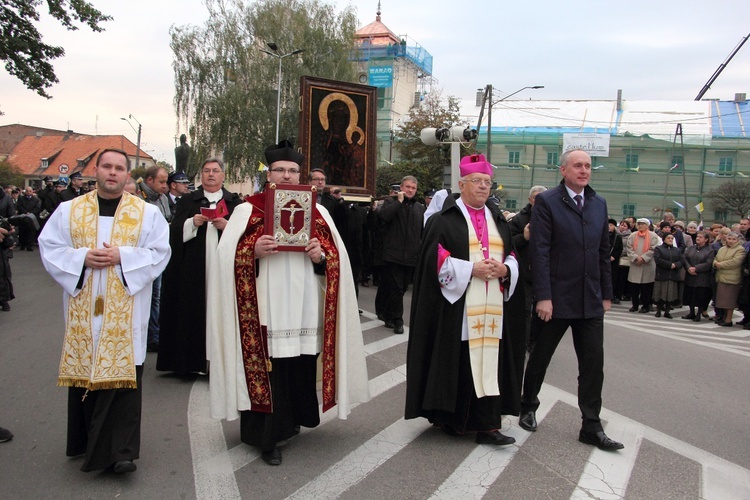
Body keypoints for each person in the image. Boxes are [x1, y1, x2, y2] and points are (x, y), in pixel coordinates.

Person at [207, 140, 370, 466]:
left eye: (292, 170)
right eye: (279, 170)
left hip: (305, 305)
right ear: (269, 174)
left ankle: (293, 421)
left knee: (298, 365)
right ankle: (266, 437)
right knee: (270, 370)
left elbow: (337, 259)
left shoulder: (319, 211)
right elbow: (225, 259)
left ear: (300, 175)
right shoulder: (247, 209)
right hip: (265, 304)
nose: (286, 175)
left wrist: (320, 256)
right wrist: (250, 252)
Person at [38, 148, 171, 473]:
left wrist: (122, 257)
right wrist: (81, 258)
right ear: (95, 170)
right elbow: (49, 246)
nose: (112, 173)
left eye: (119, 168)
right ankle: (85, 443)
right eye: (107, 166)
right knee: (86, 373)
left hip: (126, 314)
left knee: (124, 381)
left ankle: (121, 453)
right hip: (84, 309)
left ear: (128, 175)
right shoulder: (69, 210)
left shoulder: (147, 214)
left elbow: (159, 252)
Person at [405, 153, 521, 446]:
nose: (483, 187)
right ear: (462, 184)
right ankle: (453, 420)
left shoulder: (498, 219)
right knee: (460, 364)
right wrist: (471, 269)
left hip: (492, 307)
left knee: (489, 362)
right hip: (456, 311)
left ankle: (488, 425)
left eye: (487, 182)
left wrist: (505, 268)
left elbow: (512, 254)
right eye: (477, 181)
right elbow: (434, 260)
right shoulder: (444, 220)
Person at [519, 149, 624, 451]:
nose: (584, 170)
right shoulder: (548, 202)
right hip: (557, 298)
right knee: (540, 356)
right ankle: (528, 405)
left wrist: (606, 293)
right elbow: (539, 251)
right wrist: (544, 297)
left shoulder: (598, 203)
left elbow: (603, 252)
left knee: (593, 364)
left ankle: (591, 425)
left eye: (588, 166)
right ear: (563, 169)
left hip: (590, 299)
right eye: (578, 165)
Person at [157, 158, 241, 374]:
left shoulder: (235, 203)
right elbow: (174, 232)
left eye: (215, 171)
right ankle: (192, 362)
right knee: (194, 310)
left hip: (224, 269)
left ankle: (221, 364)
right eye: (206, 171)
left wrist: (227, 226)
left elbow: (247, 235)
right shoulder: (188, 201)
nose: (211, 174)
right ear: (201, 176)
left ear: (223, 176)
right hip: (194, 269)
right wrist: (191, 224)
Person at [376, 176, 425, 334]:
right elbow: (384, 216)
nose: (410, 190)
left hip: (411, 257)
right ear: (401, 188)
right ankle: (398, 321)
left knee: (402, 288)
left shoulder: (419, 208)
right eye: (407, 187)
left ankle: (388, 314)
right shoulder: (392, 203)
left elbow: (421, 233)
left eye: (413, 188)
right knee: (396, 288)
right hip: (394, 255)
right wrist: (399, 201)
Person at [509, 185, 546, 351]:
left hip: (545, 273)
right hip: (524, 272)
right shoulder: (519, 219)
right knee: (524, 311)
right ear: (530, 200)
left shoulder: (553, 216)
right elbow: (508, 243)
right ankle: (522, 343)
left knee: (543, 311)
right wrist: (524, 238)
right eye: (537, 198)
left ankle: (536, 343)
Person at [713, 231, 746, 327]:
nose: (731, 241)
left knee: (730, 301)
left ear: (738, 240)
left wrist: (720, 265)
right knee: (722, 300)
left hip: (732, 278)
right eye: (729, 238)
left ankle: (728, 320)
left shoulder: (740, 250)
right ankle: (723, 318)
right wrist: (715, 263)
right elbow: (716, 258)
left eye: (733, 239)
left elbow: (735, 262)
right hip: (721, 277)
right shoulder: (722, 249)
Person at [626, 218, 659, 313]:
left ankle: (645, 306)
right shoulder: (633, 235)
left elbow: (653, 249)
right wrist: (636, 257)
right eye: (639, 224)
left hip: (647, 265)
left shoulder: (653, 236)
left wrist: (643, 258)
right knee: (634, 287)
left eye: (642, 224)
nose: (640, 226)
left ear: (647, 225)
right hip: (635, 264)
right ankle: (634, 305)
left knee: (646, 288)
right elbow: (629, 248)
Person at [681, 231, 714, 321]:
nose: (698, 238)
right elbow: (684, 258)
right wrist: (688, 268)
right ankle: (691, 312)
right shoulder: (691, 248)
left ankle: (699, 313)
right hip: (690, 275)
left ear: (706, 239)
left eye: (701, 237)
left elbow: (708, 263)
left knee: (700, 296)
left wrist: (696, 268)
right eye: (697, 237)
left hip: (702, 277)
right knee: (690, 295)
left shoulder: (710, 250)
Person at [652, 233, 683, 318]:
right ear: (664, 239)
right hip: (662, 274)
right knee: (659, 293)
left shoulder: (677, 250)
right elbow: (658, 260)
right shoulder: (659, 249)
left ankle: (667, 311)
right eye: (668, 238)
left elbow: (681, 260)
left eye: (672, 238)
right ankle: (658, 310)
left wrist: (676, 265)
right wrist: (670, 265)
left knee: (670, 294)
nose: (670, 239)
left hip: (673, 275)